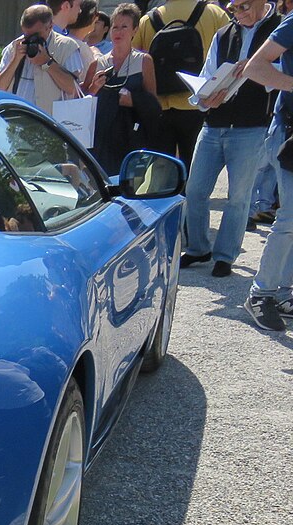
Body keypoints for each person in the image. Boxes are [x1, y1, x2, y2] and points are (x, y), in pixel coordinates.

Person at [179, 0, 280, 278]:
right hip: (214, 124)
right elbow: (206, 75)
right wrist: (204, 99)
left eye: (245, 6)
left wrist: (257, 70)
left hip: (252, 126)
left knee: (238, 197)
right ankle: (198, 248)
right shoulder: (224, 33)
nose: (240, 13)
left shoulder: (280, 28)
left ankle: (225, 256)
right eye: (234, 8)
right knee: (196, 190)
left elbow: (283, 76)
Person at [239, 9, 293, 329]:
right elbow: (255, 68)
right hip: (288, 135)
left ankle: (283, 292)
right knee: (289, 218)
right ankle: (261, 293)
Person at [133, 0, 230, 176]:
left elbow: (133, 59)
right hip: (199, 104)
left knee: (162, 174)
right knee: (196, 173)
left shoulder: (147, 20)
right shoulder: (215, 14)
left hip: (159, 107)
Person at [86, 3, 160, 176]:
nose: (118, 32)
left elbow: (154, 105)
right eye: (115, 27)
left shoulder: (144, 61)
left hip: (131, 138)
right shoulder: (97, 64)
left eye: (124, 27)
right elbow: (82, 100)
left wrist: (133, 100)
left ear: (135, 30)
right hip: (101, 140)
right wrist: (93, 88)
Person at [0, 5, 85, 114]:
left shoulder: (67, 47)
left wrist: (46, 62)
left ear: (50, 26)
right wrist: (15, 60)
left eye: (36, 35)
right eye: (27, 35)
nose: (31, 39)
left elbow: (72, 89)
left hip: (49, 123)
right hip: (16, 120)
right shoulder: (15, 47)